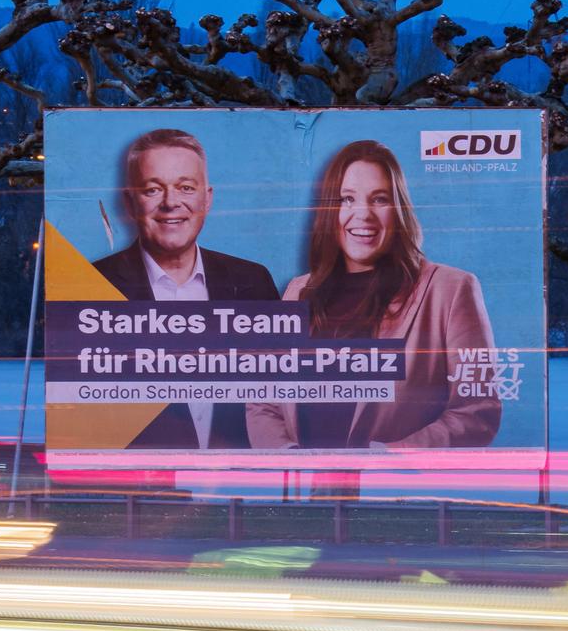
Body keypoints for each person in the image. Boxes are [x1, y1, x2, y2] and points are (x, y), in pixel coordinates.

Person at [247, 140, 502, 451]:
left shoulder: (450, 289)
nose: (362, 214)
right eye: (347, 199)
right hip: (308, 495)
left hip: (392, 495)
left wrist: (388, 460)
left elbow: (476, 414)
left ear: (399, 210)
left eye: (379, 199)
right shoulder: (298, 291)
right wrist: (291, 458)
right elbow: (264, 404)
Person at [92, 127, 280, 449]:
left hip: (236, 487)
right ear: (129, 202)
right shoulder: (93, 287)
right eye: (153, 189)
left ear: (207, 198)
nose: (171, 203)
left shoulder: (253, 282)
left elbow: (279, 397)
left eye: (185, 188)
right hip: (141, 491)